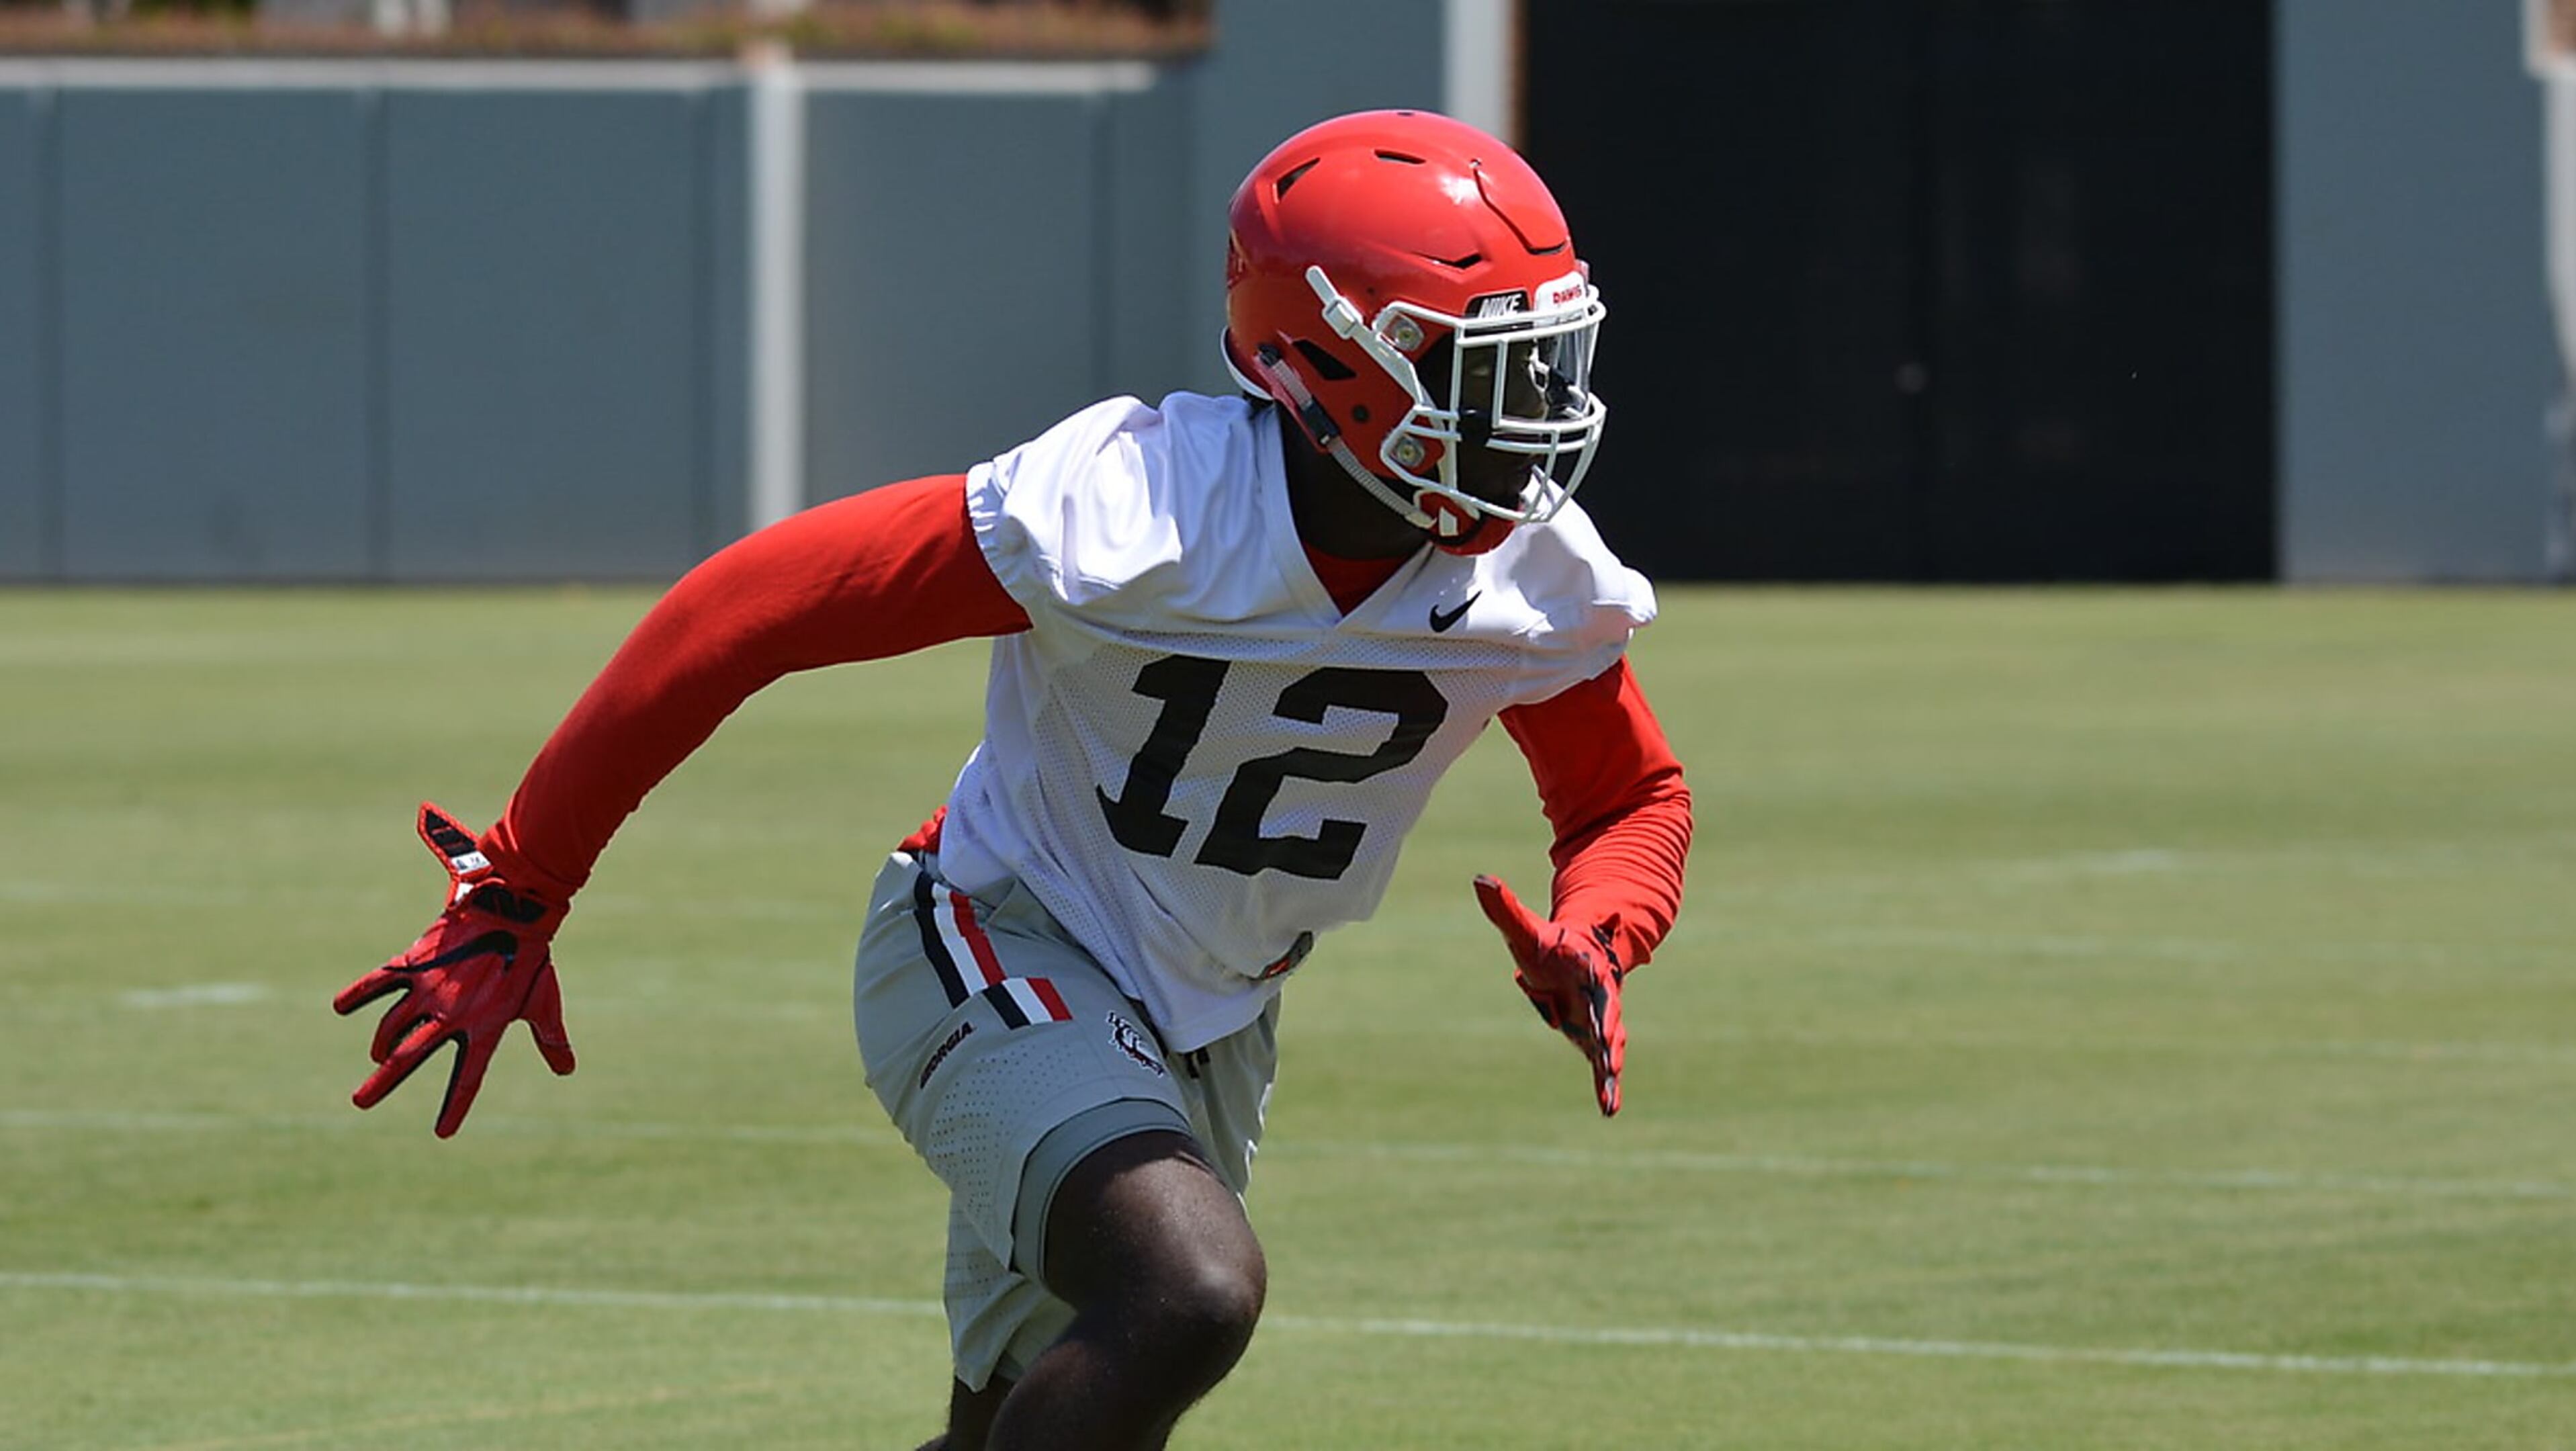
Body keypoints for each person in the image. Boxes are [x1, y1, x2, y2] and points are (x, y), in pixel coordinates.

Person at [333, 107, 1693, 1451]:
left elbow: (1626, 801)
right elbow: (748, 610)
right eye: (1480, 370)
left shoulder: (1527, 582)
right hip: (998, 936)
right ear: (1331, 361)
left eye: (1543, 363)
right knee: (1188, 1291)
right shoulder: (1139, 511)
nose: (1535, 415)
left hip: (1212, 1014)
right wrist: (523, 879)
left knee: (1037, 1423)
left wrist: (1600, 928)